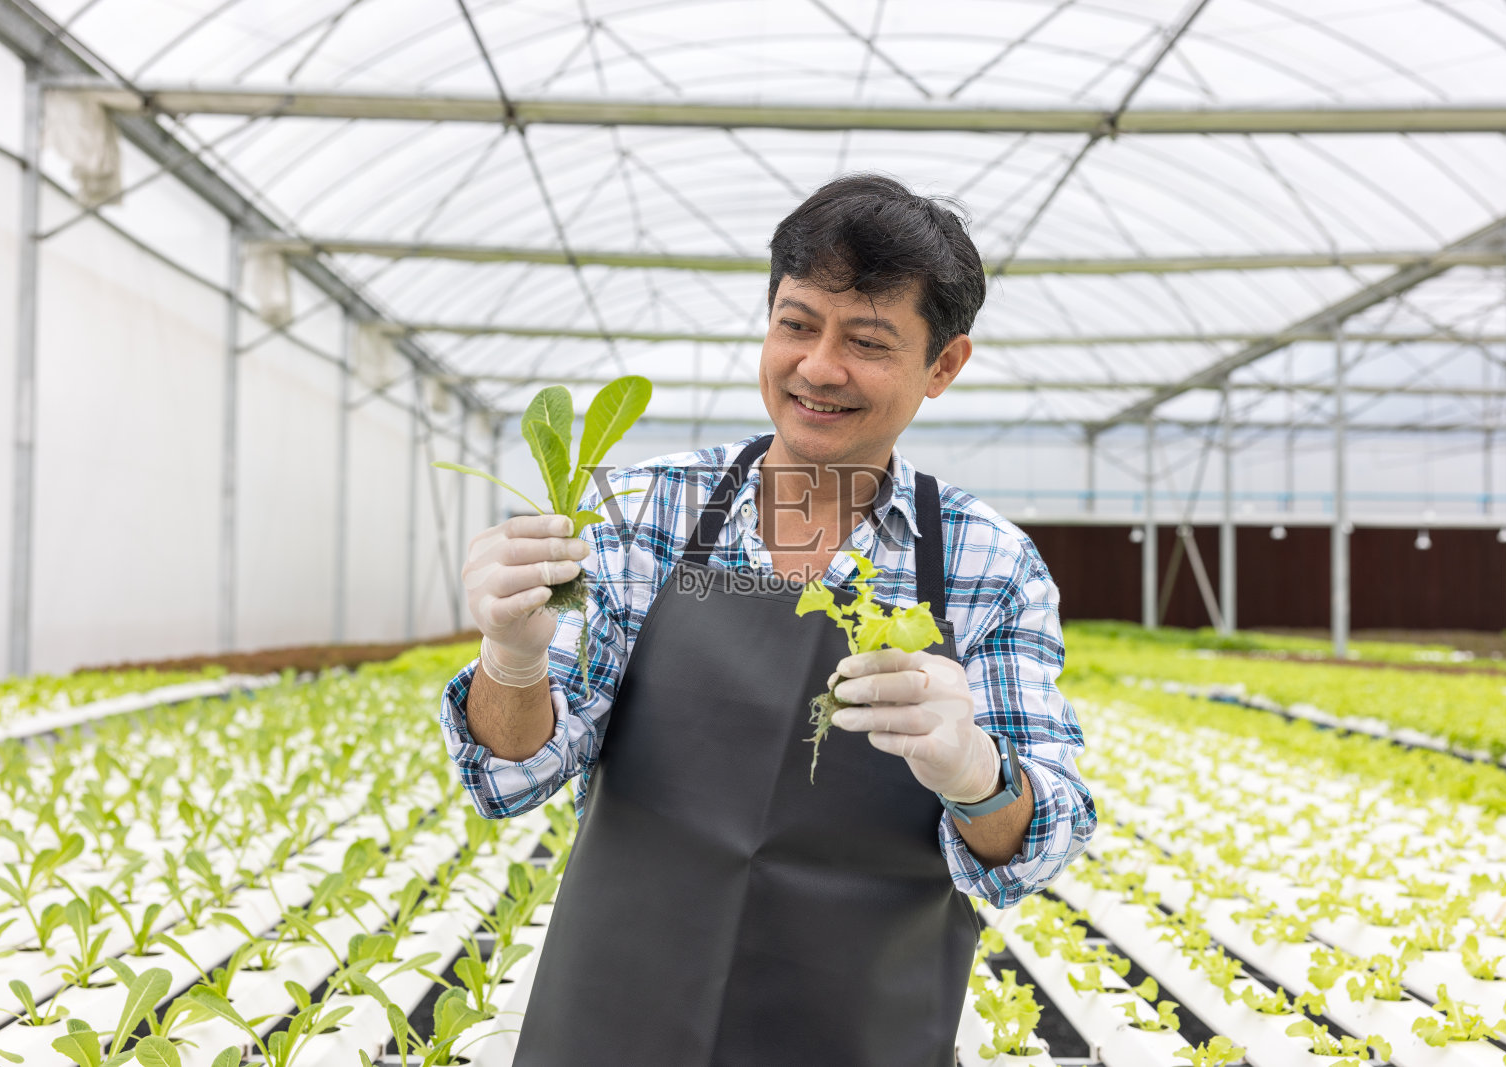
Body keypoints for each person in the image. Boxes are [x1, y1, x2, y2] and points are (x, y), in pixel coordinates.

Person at [440, 173, 1095, 1065]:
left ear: (943, 365)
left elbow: (1030, 853)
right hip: (622, 1014)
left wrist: (977, 772)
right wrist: (511, 664)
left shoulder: (990, 563)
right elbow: (511, 776)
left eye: (866, 340)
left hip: (856, 1029)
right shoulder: (642, 510)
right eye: (796, 324)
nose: (819, 367)